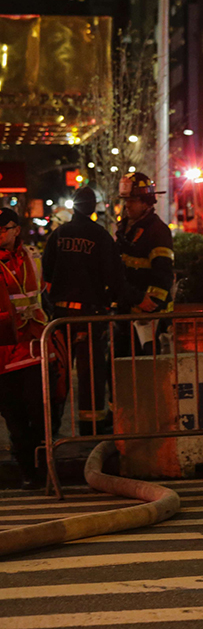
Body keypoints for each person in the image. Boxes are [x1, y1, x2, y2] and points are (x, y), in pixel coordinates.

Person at [42, 187, 126, 435]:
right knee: (92, 374)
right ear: (93, 207)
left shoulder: (58, 235)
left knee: (58, 374)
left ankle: (52, 426)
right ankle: (91, 427)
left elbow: (46, 272)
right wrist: (119, 300)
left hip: (60, 318)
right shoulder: (100, 237)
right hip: (90, 317)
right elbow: (114, 276)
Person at [0, 208, 49, 488]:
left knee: (38, 412)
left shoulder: (33, 257)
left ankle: (42, 468)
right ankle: (28, 472)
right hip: (4, 353)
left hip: (33, 349)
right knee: (14, 416)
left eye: (3, 228)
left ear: (16, 229)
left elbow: (43, 294)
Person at [115, 172, 174, 355]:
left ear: (146, 202)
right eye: (125, 200)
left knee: (146, 368)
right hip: (127, 311)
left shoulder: (158, 231)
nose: (127, 205)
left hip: (148, 318)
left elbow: (163, 273)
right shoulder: (126, 229)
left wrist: (149, 304)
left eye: (132, 201)